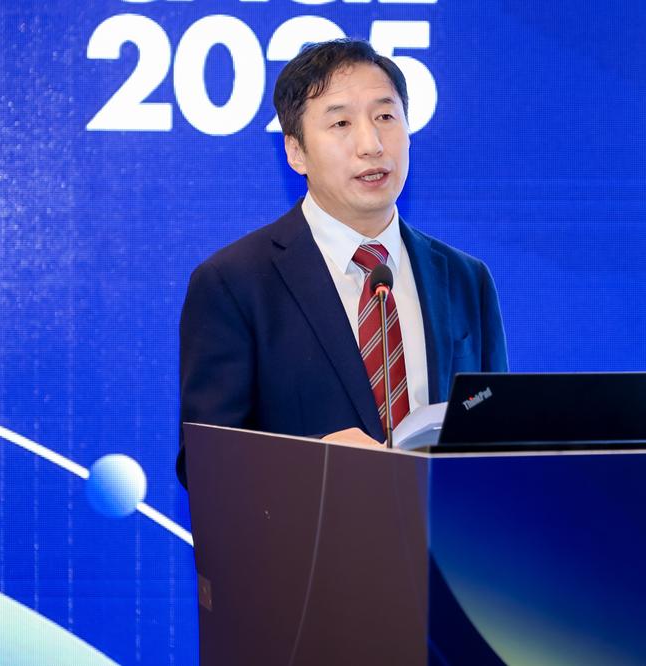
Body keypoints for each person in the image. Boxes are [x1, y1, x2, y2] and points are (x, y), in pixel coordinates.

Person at [177, 39, 508, 487]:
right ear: (296, 152)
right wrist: (314, 462)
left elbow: (497, 442)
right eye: (341, 123)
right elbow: (205, 464)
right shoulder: (234, 283)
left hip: (445, 531)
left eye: (385, 117)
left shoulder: (466, 279)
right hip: (308, 531)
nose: (371, 145)